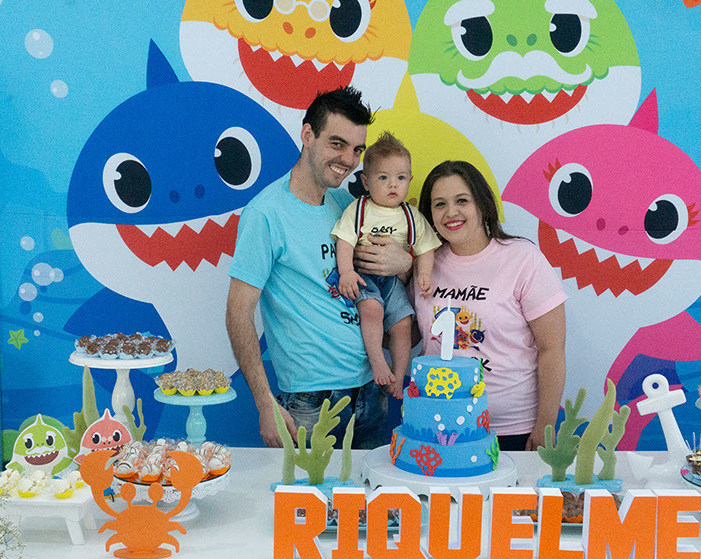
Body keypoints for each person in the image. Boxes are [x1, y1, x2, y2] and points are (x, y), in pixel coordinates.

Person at [225, 87, 412, 448]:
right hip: (310, 401)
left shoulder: (348, 204)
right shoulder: (266, 213)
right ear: (308, 135)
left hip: (371, 389)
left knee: (370, 487)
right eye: (337, 144)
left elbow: (385, 276)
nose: (348, 159)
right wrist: (265, 403)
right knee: (308, 489)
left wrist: (404, 262)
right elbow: (238, 313)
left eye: (357, 150)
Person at [415, 160, 567, 452]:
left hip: (512, 429)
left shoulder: (523, 258)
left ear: (483, 204)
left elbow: (552, 349)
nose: (451, 213)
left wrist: (546, 425)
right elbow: (411, 333)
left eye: (462, 200)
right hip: (439, 426)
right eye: (439, 204)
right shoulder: (425, 265)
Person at [332, 132, 441, 400]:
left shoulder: (411, 215)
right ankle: (378, 361)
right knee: (372, 308)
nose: (393, 184)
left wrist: (424, 274)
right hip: (363, 276)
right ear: (366, 182)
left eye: (400, 178)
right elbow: (344, 242)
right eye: (383, 178)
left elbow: (426, 248)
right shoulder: (358, 209)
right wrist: (346, 272)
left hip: (393, 281)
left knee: (403, 322)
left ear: (409, 180)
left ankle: (399, 374)